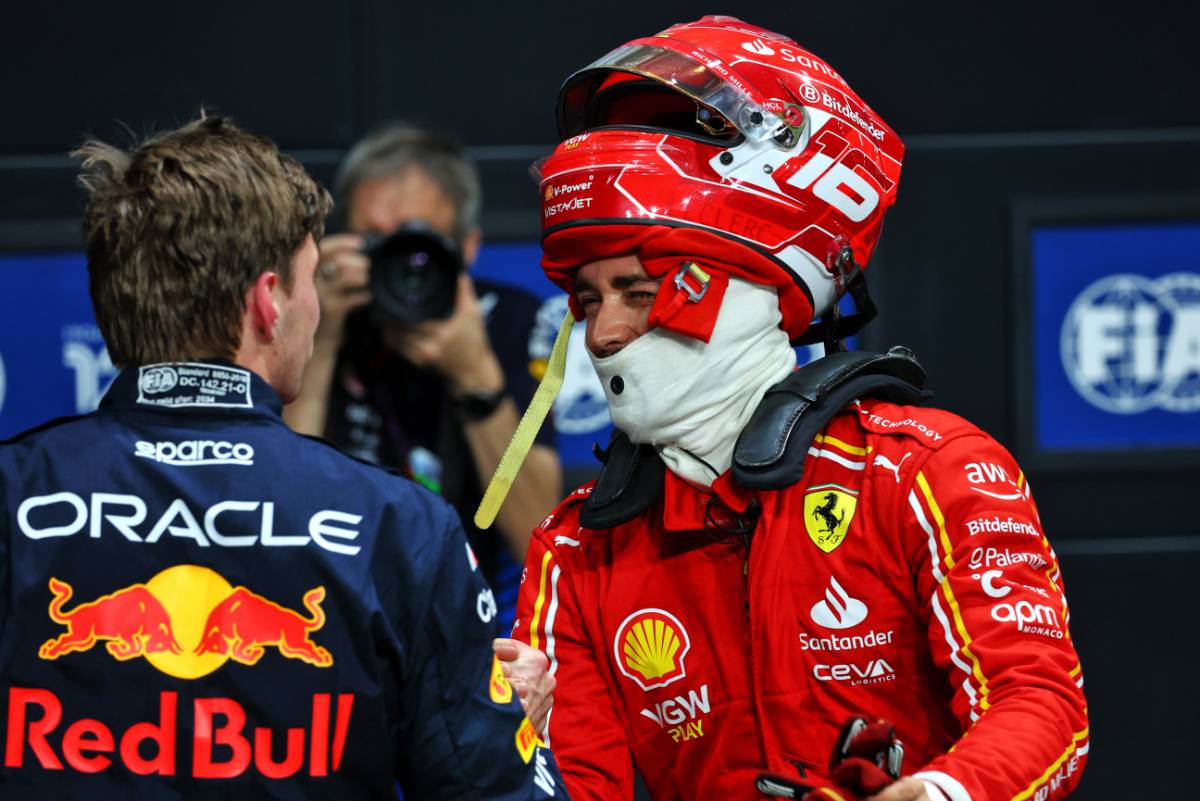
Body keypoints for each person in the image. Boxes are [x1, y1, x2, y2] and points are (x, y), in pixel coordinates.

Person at [499, 16, 1088, 801]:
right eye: (588, 298)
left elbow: (1041, 704)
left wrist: (943, 794)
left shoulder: (925, 472)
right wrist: (504, 741)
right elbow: (575, 787)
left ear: (752, 294)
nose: (603, 334)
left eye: (640, 293)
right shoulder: (577, 552)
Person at [0, 114, 567, 800]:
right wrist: (501, 719)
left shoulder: (13, 489)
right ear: (270, 302)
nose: (320, 305)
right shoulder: (400, 526)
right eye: (310, 275)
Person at [284, 126, 562, 627]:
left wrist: (475, 375)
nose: (398, 265)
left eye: (417, 244)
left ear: (469, 247)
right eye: (374, 241)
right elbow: (277, 508)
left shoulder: (513, 322)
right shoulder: (322, 321)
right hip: (332, 610)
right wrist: (318, 341)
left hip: (464, 615)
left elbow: (537, 539)